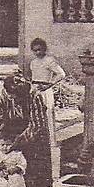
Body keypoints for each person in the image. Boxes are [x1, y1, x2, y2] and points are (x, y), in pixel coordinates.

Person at [0, 72, 51, 187]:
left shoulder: (34, 96)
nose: (16, 99)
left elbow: (37, 124)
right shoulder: (1, 98)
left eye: (19, 97)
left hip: (31, 135)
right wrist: (2, 142)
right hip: (9, 132)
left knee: (32, 168)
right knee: (4, 169)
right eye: (13, 96)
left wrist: (20, 142)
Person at [28, 37, 66, 178]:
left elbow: (61, 74)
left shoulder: (49, 60)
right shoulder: (33, 62)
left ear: (44, 49)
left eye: (40, 50)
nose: (38, 52)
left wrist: (49, 84)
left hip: (45, 90)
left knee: (46, 114)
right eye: (35, 50)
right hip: (35, 89)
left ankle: (49, 141)